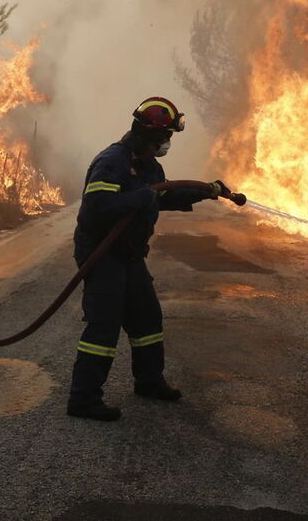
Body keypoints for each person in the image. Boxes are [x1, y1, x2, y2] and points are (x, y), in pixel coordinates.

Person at [67, 96, 229, 421]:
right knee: (104, 325)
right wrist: (138, 198)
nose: (167, 142)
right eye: (165, 135)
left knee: (147, 319)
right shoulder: (112, 161)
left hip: (129, 255)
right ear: (147, 134)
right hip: (102, 254)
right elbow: (97, 206)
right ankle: (83, 399)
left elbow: (164, 195)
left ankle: (149, 381)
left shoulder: (150, 165)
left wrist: (206, 191)